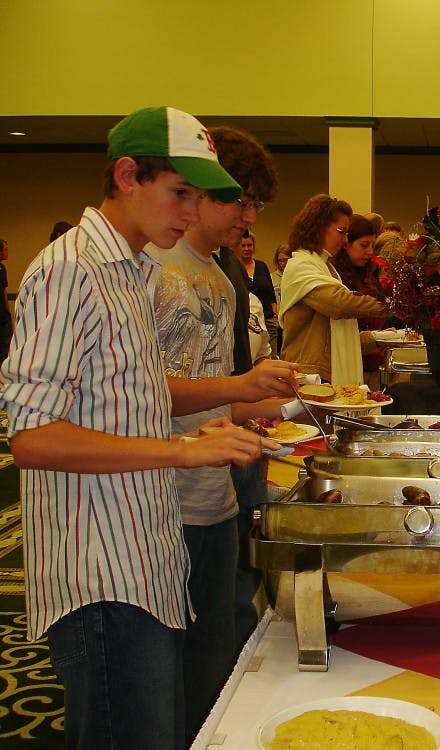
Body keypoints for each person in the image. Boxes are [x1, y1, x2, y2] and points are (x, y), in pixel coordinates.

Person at [0, 106, 290, 750]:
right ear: (127, 175)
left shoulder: (131, 269)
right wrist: (181, 452)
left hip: (145, 553)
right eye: (179, 192)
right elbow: (32, 439)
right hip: (100, 570)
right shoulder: (68, 268)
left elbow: (129, 396)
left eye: (198, 195)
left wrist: (219, 420)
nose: (191, 212)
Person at [147, 123, 289, 744]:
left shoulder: (221, 273)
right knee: (162, 668)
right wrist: (239, 388)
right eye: (242, 200)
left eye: (256, 204)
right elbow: (147, 389)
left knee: (217, 647)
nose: (249, 216)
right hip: (159, 495)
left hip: (215, 489)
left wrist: (254, 404)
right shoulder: (151, 265)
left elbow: (209, 379)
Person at [279, 194, 387, 384]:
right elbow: (340, 305)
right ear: (319, 228)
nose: (345, 240)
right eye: (341, 231)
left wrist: (379, 336)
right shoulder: (301, 265)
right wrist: (390, 305)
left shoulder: (326, 267)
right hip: (309, 373)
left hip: (322, 371)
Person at [333, 214, 390, 390]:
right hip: (344, 369)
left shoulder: (369, 276)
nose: (370, 252)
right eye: (364, 245)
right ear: (345, 244)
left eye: (373, 245)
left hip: (372, 366)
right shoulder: (334, 280)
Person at [238, 230, 279, 351]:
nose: (246, 249)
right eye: (243, 245)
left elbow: (272, 294)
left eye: (249, 245)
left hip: (268, 320)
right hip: (249, 324)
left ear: (254, 247)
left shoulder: (262, 266)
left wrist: (274, 314)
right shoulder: (235, 267)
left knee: (272, 358)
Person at [270, 244, 291, 354]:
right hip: (278, 322)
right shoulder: (272, 278)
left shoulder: (297, 277)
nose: (282, 264)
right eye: (280, 261)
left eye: (285, 260)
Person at [0, 238, 11, 362]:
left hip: (3, 315)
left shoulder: (2, 269)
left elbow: (4, 291)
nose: (7, 252)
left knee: (5, 345)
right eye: (5, 249)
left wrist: (8, 312)